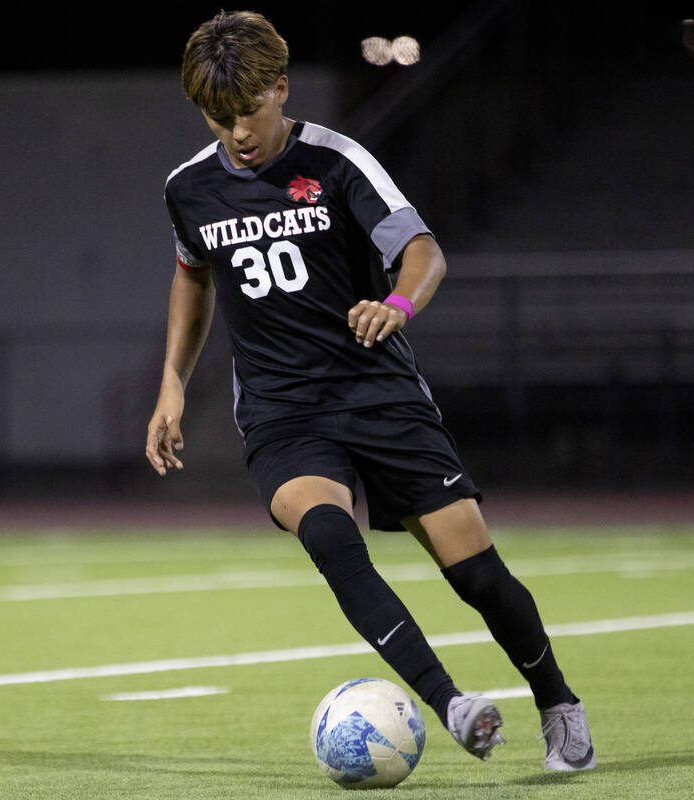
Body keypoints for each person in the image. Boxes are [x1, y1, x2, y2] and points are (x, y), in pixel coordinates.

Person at [144, 10, 595, 771]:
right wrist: (171, 386)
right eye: (217, 119)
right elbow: (193, 277)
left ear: (280, 89)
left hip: (376, 393)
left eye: (248, 112)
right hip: (283, 413)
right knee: (329, 538)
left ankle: (558, 703)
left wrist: (396, 304)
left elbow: (423, 251)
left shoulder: (337, 162)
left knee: (476, 574)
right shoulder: (188, 189)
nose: (236, 133)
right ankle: (451, 703)